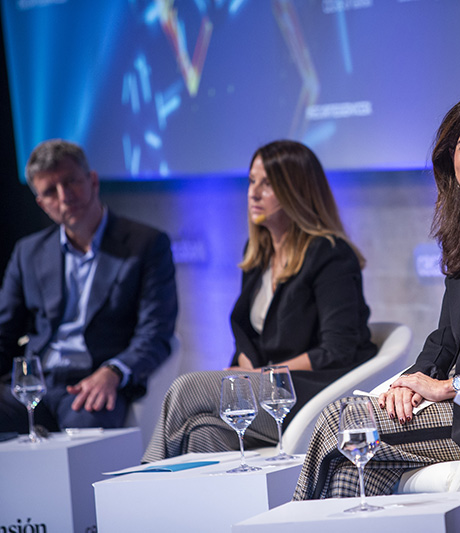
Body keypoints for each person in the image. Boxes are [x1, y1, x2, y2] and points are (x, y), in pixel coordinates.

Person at [293, 88, 460, 500]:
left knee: (343, 423)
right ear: (450, 158)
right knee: (351, 447)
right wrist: (409, 382)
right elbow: (445, 338)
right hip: (454, 403)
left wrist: (453, 386)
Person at [142, 140, 376, 462]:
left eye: (268, 184)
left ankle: (150, 476)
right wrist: (242, 367)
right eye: (252, 181)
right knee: (201, 432)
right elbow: (251, 337)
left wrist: (264, 374)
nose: (253, 193)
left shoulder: (330, 253)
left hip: (309, 394)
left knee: (188, 388)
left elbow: (337, 349)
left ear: (296, 190)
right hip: (266, 392)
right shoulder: (257, 257)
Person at [0, 139, 178, 433]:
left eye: (71, 182)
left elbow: (156, 333)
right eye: (50, 192)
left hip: (94, 383)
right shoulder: (28, 252)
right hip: (35, 385)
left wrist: (113, 372)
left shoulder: (146, 244)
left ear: (92, 180)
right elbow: (4, 333)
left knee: (87, 440)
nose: (64, 196)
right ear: (41, 203)